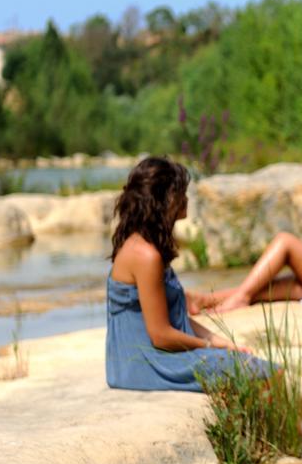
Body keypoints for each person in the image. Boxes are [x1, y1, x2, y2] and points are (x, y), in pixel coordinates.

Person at [106, 156, 271, 392]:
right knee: (265, 373)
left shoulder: (146, 244)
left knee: (256, 367)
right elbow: (161, 336)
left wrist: (221, 343)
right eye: (180, 192)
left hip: (148, 359)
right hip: (144, 365)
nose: (186, 198)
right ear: (165, 200)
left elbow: (174, 318)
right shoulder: (145, 255)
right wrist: (207, 347)